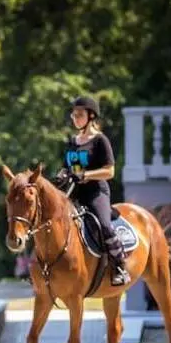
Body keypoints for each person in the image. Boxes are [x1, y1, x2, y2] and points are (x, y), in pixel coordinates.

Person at [59, 96, 130, 286]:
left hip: (95, 192)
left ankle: (120, 267)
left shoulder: (100, 141)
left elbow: (110, 171)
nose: (75, 119)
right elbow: (67, 167)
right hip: (73, 193)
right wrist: (62, 174)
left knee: (105, 226)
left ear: (91, 116)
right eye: (73, 115)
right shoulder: (72, 142)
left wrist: (86, 175)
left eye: (79, 115)